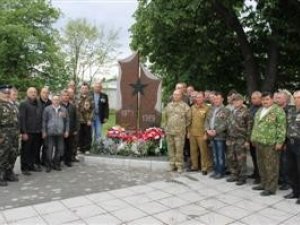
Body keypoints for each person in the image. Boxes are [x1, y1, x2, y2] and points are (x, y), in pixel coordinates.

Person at [251, 92, 286, 196]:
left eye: (267, 99)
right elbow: (256, 125)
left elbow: (281, 127)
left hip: (271, 143)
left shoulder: (278, 111)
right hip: (259, 142)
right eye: (263, 100)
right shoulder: (260, 110)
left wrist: (280, 142)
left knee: (271, 166)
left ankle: (271, 188)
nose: (265, 101)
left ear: (272, 100)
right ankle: (264, 183)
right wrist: (253, 138)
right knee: (261, 165)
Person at [163, 89, 191, 173]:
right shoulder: (168, 106)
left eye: (177, 95)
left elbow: (189, 119)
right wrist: (165, 127)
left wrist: (182, 126)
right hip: (169, 131)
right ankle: (172, 165)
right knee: (170, 149)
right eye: (174, 94)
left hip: (180, 132)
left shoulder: (185, 106)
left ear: (181, 96)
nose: (175, 96)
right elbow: (164, 117)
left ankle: (179, 166)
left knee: (179, 149)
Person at [226, 94, 252, 185]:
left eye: (237, 100)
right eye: (234, 101)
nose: (235, 102)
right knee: (231, 157)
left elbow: (249, 127)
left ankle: (242, 177)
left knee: (241, 159)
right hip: (231, 138)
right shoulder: (231, 111)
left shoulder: (246, 112)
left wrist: (247, 140)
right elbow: (228, 125)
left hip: (241, 139)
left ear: (241, 101)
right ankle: (234, 174)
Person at [205, 92, 230, 179]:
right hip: (211, 135)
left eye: (218, 98)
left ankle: (221, 171)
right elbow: (207, 120)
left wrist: (216, 131)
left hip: (220, 135)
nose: (216, 100)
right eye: (215, 99)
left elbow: (226, 123)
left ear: (222, 99)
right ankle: (216, 170)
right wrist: (207, 129)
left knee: (220, 155)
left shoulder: (226, 110)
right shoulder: (211, 109)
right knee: (215, 154)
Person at [42, 94, 69, 172]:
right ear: (52, 101)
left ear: (59, 100)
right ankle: (48, 165)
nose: (56, 101)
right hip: (50, 132)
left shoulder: (64, 110)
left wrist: (67, 131)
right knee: (49, 149)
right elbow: (44, 121)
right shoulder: (47, 109)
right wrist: (44, 131)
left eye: (57, 100)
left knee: (60, 149)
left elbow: (67, 121)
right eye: (54, 100)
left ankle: (56, 164)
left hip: (60, 132)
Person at [19, 87, 43, 175]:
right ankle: (24, 168)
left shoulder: (39, 103)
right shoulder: (23, 104)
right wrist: (24, 132)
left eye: (35, 92)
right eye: (31, 92)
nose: (33, 93)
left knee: (35, 150)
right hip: (28, 132)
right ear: (27, 93)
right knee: (26, 151)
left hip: (37, 131)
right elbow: (22, 119)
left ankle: (31, 165)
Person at [188, 92, 212, 174]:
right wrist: (188, 131)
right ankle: (194, 166)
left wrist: (206, 133)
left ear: (204, 98)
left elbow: (208, 122)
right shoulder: (192, 107)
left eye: (200, 97)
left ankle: (204, 167)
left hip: (202, 133)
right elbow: (189, 120)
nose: (198, 99)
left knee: (203, 151)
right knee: (193, 151)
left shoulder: (207, 108)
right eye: (197, 97)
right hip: (192, 133)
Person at [0, 85, 19, 186]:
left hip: (14, 133)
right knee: (3, 155)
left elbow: (17, 121)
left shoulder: (12, 105)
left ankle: (9, 172)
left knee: (13, 153)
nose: (6, 95)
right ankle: (1, 175)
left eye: (7, 93)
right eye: (4, 93)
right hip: (3, 134)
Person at [285, 90, 300, 204]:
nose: (296, 100)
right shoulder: (291, 109)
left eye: (299, 97)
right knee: (291, 168)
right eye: (295, 97)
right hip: (290, 142)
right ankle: (295, 191)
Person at [276, 91, 290, 190]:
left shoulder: (289, 110)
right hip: (276, 140)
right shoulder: (276, 110)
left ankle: (287, 182)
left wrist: (284, 142)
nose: (277, 100)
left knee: (286, 162)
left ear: (285, 99)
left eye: (279, 98)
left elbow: (288, 127)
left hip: (285, 141)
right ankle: (280, 178)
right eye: (277, 98)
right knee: (279, 161)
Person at [61, 90, 79, 167]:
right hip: (61, 130)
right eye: (64, 95)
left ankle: (68, 160)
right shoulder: (58, 106)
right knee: (61, 146)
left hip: (71, 130)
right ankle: (60, 159)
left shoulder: (73, 106)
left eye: (67, 95)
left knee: (69, 146)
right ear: (61, 96)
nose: (66, 96)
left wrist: (76, 129)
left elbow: (76, 118)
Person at [248, 91, 262, 184]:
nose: (252, 100)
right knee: (253, 156)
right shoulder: (252, 107)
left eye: (254, 98)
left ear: (260, 98)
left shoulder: (262, 108)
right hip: (251, 136)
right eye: (252, 98)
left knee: (259, 157)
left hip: (258, 137)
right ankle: (255, 172)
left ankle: (260, 176)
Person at [37, 87, 52, 167]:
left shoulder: (51, 103)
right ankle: (37, 162)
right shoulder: (36, 102)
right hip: (37, 128)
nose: (45, 94)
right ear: (40, 93)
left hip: (48, 128)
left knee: (46, 146)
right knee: (37, 146)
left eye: (47, 93)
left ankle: (44, 161)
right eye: (43, 92)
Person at [78, 83, 93, 154]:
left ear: (88, 89)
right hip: (80, 119)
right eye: (83, 88)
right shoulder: (77, 97)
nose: (84, 89)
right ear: (80, 89)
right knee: (80, 135)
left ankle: (87, 149)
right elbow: (77, 109)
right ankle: (80, 148)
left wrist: (90, 119)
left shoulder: (90, 98)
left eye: (85, 88)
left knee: (87, 135)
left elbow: (93, 109)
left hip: (87, 120)